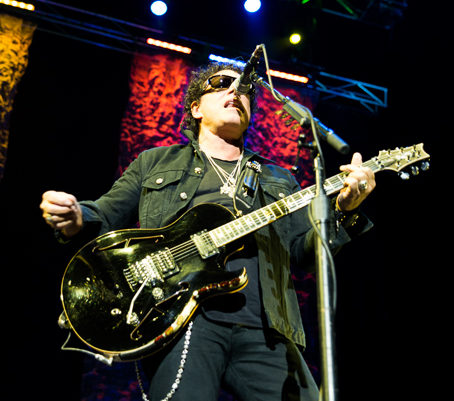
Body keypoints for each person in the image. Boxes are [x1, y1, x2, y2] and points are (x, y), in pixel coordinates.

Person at [40, 62, 375, 401]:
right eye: (221, 83)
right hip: (183, 318)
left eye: (245, 90)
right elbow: (104, 214)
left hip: (267, 328)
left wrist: (345, 210)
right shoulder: (155, 162)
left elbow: (305, 252)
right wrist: (76, 216)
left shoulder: (279, 178)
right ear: (196, 108)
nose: (236, 91)